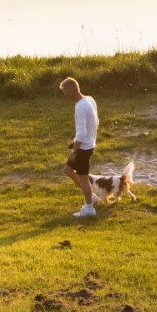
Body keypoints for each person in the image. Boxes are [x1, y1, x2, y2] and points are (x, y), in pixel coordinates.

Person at [59, 77, 100, 217]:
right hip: (88, 144)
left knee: (83, 177)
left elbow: (81, 133)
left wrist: (74, 152)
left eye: (65, 91)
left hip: (83, 148)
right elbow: (97, 121)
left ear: (71, 90)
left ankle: (89, 208)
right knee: (68, 170)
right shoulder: (90, 99)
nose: (64, 95)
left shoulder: (80, 107)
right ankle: (91, 197)